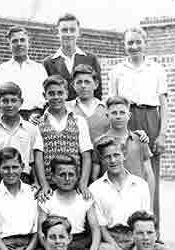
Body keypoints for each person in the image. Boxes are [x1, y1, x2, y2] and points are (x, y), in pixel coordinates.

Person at [108, 27, 168, 224]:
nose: (134, 46)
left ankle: (153, 228)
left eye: (137, 42)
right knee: (126, 171)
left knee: (151, 174)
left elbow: (163, 104)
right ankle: (126, 227)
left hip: (150, 118)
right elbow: (112, 102)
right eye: (129, 43)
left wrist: (162, 134)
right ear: (124, 45)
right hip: (126, 118)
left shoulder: (156, 69)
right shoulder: (117, 71)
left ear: (145, 43)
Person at [37, 154, 115, 250]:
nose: (67, 178)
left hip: (79, 243)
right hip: (55, 243)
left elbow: (95, 228)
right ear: (53, 177)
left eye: (71, 174)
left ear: (77, 177)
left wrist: (93, 249)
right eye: (62, 174)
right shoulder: (47, 199)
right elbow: (41, 231)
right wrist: (50, 248)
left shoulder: (84, 198)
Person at [89, 136, 152, 250]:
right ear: (102, 160)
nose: (112, 160)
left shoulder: (140, 185)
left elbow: (146, 219)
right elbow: (101, 227)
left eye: (116, 155)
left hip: (136, 234)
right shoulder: (95, 188)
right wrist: (119, 248)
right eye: (107, 157)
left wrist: (140, 241)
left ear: (123, 154)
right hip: (111, 236)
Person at [0, 82, 44, 198]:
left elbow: (32, 160)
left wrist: (35, 181)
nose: (9, 105)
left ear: (21, 102)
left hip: (24, 178)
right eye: (5, 101)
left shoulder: (31, 128)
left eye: (13, 100)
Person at [34, 75, 93, 201]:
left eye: (60, 93)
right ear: (45, 95)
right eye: (51, 93)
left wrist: (83, 183)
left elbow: (86, 155)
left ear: (66, 94)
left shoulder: (79, 121)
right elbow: (38, 156)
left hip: (74, 183)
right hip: (50, 186)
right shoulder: (39, 122)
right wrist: (44, 185)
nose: (56, 97)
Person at [92, 96, 156, 202]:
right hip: (110, 197)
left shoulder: (139, 139)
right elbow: (95, 177)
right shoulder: (100, 142)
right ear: (107, 115)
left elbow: (149, 174)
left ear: (129, 115)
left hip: (136, 196)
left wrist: (150, 204)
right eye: (114, 113)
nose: (118, 117)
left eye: (122, 113)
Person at [43, 13, 102, 101]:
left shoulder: (91, 59)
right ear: (57, 33)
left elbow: (97, 92)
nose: (68, 34)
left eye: (72, 30)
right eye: (64, 30)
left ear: (78, 33)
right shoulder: (48, 62)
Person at [0, 26, 48, 121]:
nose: (19, 44)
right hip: (11, 118)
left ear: (28, 43)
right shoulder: (2, 69)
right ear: (10, 44)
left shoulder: (39, 68)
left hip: (37, 117)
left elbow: (46, 99)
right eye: (15, 41)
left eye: (22, 40)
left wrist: (41, 116)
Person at [66, 64, 110, 142]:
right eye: (79, 82)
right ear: (73, 85)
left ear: (96, 84)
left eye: (87, 82)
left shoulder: (107, 108)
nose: (83, 86)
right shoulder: (66, 108)